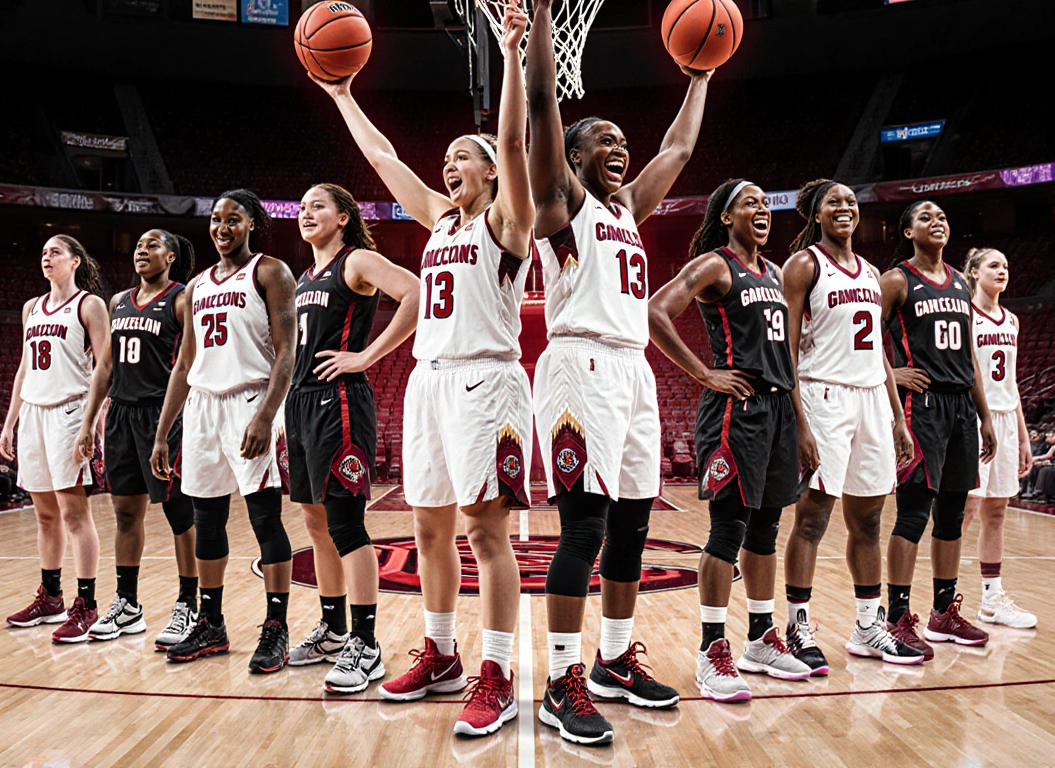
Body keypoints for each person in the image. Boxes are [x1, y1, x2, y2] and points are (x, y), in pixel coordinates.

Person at [311, 2, 533, 735]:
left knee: (485, 532)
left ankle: (495, 671)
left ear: (494, 171)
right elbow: (385, 162)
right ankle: (440, 653)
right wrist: (345, 97)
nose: (450, 164)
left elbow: (511, 140)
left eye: (464, 157)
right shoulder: (440, 219)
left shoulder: (509, 220)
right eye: (448, 159)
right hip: (429, 380)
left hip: (487, 382)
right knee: (429, 527)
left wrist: (508, 56)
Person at [527, 0, 713, 744]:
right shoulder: (562, 201)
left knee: (633, 528)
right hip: (578, 367)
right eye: (603, 138)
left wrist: (699, 76)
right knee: (583, 531)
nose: (620, 146)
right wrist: (540, 23)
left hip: (632, 371)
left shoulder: (627, 209)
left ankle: (611, 663)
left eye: (621, 139)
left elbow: (678, 149)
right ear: (573, 157)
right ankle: (560, 680)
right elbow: (543, 106)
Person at [648, 180, 811, 704]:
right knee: (728, 530)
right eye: (751, 203)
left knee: (766, 529)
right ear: (726, 216)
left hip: (777, 408)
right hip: (734, 411)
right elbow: (655, 311)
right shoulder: (716, 265)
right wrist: (705, 374)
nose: (762, 209)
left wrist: (801, 424)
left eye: (766, 203)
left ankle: (761, 638)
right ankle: (710, 650)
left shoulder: (777, 272)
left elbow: (786, 359)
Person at [150, 190, 298, 674]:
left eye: (232, 219)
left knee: (264, 519)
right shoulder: (194, 287)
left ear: (252, 223)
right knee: (207, 521)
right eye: (215, 220)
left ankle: (276, 626)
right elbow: (184, 363)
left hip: (250, 399)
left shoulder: (269, 272)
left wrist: (265, 415)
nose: (222, 227)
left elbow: (286, 350)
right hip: (203, 407)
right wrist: (162, 431)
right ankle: (211, 621)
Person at [779, 180, 921, 673]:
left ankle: (866, 626)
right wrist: (800, 423)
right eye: (833, 202)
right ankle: (798, 626)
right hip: (823, 396)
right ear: (816, 215)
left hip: (871, 403)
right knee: (813, 518)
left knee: (869, 520)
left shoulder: (872, 274)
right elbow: (787, 350)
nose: (844, 208)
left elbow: (879, 351)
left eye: (851, 202)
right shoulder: (804, 266)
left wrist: (898, 417)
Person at [284, 183, 419, 692]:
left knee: (344, 523)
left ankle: (366, 642)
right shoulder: (304, 277)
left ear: (343, 217)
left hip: (338, 402)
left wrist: (366, 358)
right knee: (314, 521)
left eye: (317, 205)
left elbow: (415, 293)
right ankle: (334, 631)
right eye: (301, 207)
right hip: (300, 405)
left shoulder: (356, 260)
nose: (306, 212)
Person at [75, 229, 202, 652]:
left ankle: (189, 603)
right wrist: (89, 421)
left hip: (161, 414)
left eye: (152, 245)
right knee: (126, 513)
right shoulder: (119, 302)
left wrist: (166, 428)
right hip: (122, 416)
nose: (141, 251)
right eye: (138, 246)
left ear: (171, 255)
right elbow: (104, 367)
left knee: (179, 514)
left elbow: (188, 364)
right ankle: (127, 604)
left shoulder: (182, 299)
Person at [883, 200, 997, 655]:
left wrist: (985, 415)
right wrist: (892, 375)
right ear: (908, 231)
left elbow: (969, 354)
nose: (937, 222)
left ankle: (943, 613)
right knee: (913, 514)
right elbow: (863, 339)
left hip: (960, 409)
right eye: (926, 217)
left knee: (952, 516)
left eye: (943, 217)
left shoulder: (961, 283)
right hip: (922, 407)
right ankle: (895, 617)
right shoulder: (896, 280)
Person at [0, 235, 111, 643]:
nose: (47, 257)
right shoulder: (31, 307)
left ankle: (87, 604)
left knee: (74, 514)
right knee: (45, 515)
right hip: (33, 413)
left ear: (75, 261)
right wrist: (10, 421)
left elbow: (105, 367)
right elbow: (24, 368)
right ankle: (50, 596)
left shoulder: (89, 305)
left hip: (69, 411)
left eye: (56, 252)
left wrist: (92, 421)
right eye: (43, 251)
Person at [959, 248, 1036, 629]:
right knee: (966, 509)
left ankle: (991, 598)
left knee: (997, 511)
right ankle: (945, 599)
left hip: (1006, 421)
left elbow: (1011, 383)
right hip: (974, 420)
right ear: (974, 273)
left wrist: (1023, 436)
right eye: (993, 265)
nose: (1002, 271)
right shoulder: (965, 315)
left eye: (1006, 266)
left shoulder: (1012, 321)